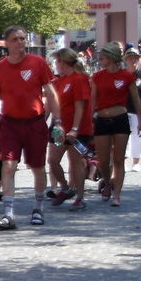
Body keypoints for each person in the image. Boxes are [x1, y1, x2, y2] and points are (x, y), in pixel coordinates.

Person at [0, 26, 60, 230]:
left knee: (37, 167)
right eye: (15, 39)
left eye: (22, 38)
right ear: (7, 43)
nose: (20, 42)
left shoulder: (37, 63)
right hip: (9, 124)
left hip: (35, 123)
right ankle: (8, 215)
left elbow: (51, 93)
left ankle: (38, 207)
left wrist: (58, 121)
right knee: (8, 165)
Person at [91, 43, 137, 207]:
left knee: (118, 159)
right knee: (102, 160)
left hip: (120, 118)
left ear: (110, 58)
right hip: (102, 120)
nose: (99, 59)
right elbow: (93, 100)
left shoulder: (127, 76)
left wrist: (139, 120)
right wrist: (89, 120)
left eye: (102, 57)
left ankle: (117, 194)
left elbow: (135, 99)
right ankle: (107, 181)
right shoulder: (97, 76)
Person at [46, 48, 91, 210]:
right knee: (52, 161)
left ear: (63, 62)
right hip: (58, 129)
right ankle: (65, 189)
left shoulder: (79, 79)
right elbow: (49, 106)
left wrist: (75, 129)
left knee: (75, 162)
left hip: (77, 130)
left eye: (56, 61)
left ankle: (80, 197)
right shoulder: (57, 82)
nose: (55, 64)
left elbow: (80, 107)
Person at [124, 49, 141, 173]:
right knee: (124, 137)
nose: (133, 60)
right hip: (124, 109)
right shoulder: (122, 74)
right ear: (126, 60)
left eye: (135, 58)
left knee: (138, 136)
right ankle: (124, 161)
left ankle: (136, 162)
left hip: (140, 109)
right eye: (130, 58)